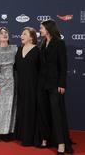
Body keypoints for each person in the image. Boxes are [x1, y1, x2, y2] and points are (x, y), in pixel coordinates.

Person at [37, 19, 73, 154]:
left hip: (55, 84)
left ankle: (61, 143)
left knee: (56, 114)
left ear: (48, 29)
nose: (39, 30)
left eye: (41, 28)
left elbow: (63, 66)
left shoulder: (59, 43)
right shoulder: (42, 43)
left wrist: (62, 84)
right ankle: (45, 139)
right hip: (42, 84)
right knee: (44, 112)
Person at [0, 27, 17, 142]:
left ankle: (7, 132)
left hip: (11, 81)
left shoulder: (14, 48)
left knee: (9, 107)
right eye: (1, 33)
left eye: (6, 32)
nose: (5, 34)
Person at [14, 27, 39, 146]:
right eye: (21, 34)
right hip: (21, 85)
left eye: (24, 34)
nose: (21, 36)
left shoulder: (37, 51)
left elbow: (41, 70)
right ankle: (22, 135)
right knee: (22, 109)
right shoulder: (19, 49)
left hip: (33, 86)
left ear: (31, 37)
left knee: (30, 110)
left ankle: (29, 138)